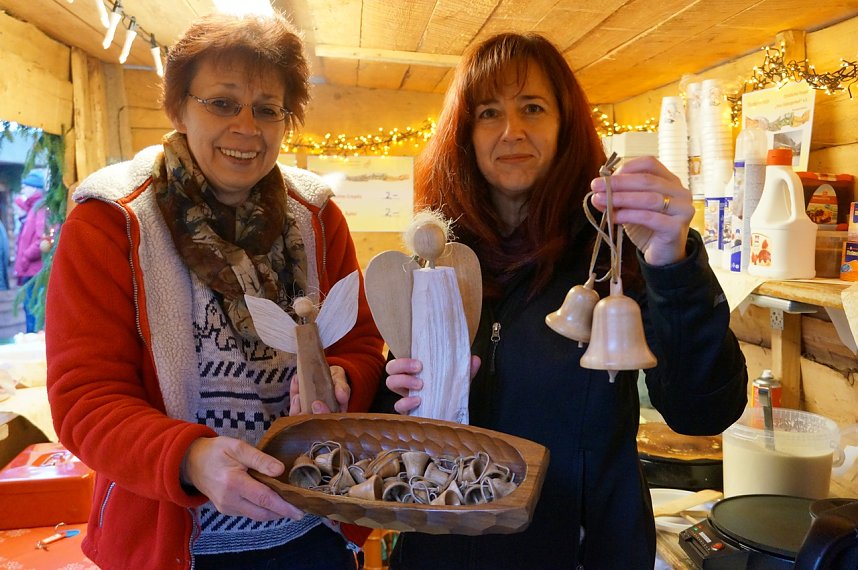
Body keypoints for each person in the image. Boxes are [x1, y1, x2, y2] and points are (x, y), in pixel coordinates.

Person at [380, 33, 748, 569]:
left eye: (533, 107)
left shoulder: (615, 254)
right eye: (489, 113)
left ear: (564, 125)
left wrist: (672, 261)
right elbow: (397, 422)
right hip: (443, 544)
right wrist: (397, 393)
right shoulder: (437, 265)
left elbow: (703, 411)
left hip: (582, 549)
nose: (512, 131)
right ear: (464, 134)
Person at [46, 12, 384, 570]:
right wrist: (191, 458)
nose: (247, 127)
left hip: (313, 532)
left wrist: (343, 377)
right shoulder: (113, 220)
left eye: (268, 109)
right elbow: (86, 398)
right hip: (179, 544)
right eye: (222, 103)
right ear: (178, 107)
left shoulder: (314, 215)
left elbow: (361, 342)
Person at [14, 170, 47, 331]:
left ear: (34, 189)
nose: (23, 190)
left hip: (34, 271)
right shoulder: (32, 208)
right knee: (29, 310)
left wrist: (25, 258)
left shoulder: (40, 208)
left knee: (33, 311)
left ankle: (36, 347)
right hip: (29, 271)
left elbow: (44, 238)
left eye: (25, 187)